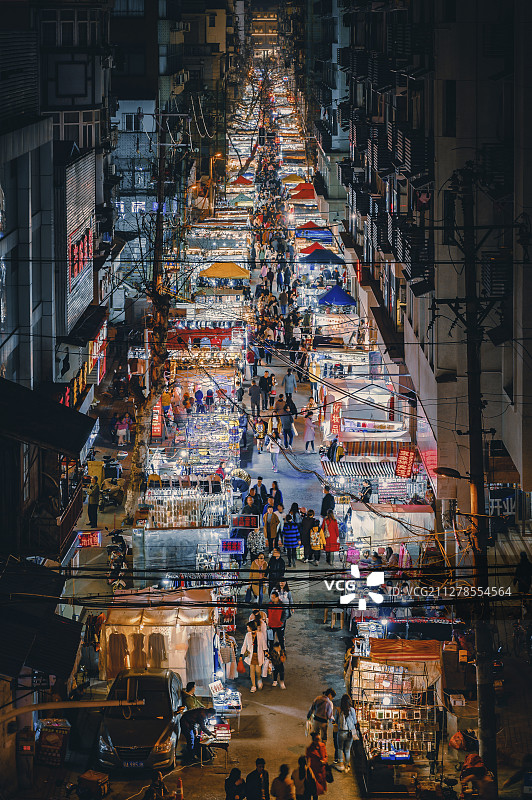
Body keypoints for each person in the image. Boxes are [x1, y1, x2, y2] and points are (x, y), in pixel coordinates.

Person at [240, 621, 267, 692]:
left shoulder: (260, 634)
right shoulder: (247, 635)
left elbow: (264, 644)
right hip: (250, 655)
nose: (247, 628)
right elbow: (244, 645)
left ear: (251, 627)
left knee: (258, 670)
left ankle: (259, 679)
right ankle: (253, 685)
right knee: (252, 670)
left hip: (258, 655)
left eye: (248, 627)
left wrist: (266, 652)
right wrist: (241, 654)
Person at [334, 694, 358, 771]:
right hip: (350, 732)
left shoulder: (338, 710)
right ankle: (347, 766)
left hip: (341, 732)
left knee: (340, 748)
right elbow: (355, 721)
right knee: (347, 749)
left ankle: (341, 765)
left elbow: (335, 720)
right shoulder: (352, 710)